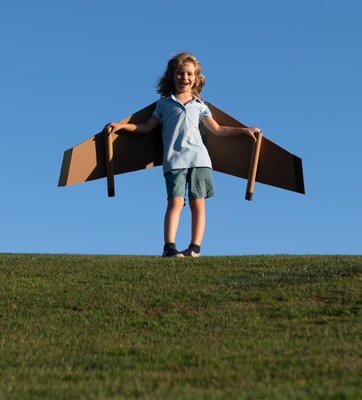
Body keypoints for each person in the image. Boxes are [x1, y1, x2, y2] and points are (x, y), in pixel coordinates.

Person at [107, 52, 260, 257]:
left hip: (200, 160)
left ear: (196, 78)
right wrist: (121, 126)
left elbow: (217, 129)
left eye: (189, 74)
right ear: (172, 76)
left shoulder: (200, 106)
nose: (184, 78)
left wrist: (244, 130)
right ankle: (169, 247)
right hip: (174, 161)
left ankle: (194, 248)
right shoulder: (163, 104)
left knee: (198, 203)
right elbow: (146, 127)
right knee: (175, 202)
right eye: (180, 73)